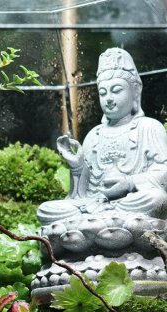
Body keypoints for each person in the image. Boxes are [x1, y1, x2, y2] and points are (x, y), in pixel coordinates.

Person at [38, 48, 167, 226]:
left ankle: (98, 225)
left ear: (135, 91)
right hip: (94, 205)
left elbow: (164, 174)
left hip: (130, 202)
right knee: (46, 209)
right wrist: (77, 167)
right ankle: (107, 224)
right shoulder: (94, 135)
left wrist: (129, 183)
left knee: (156, 198)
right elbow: (82, 194)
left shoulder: (149, 128)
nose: (109, 98)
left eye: (116, 90)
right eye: (103, 92)